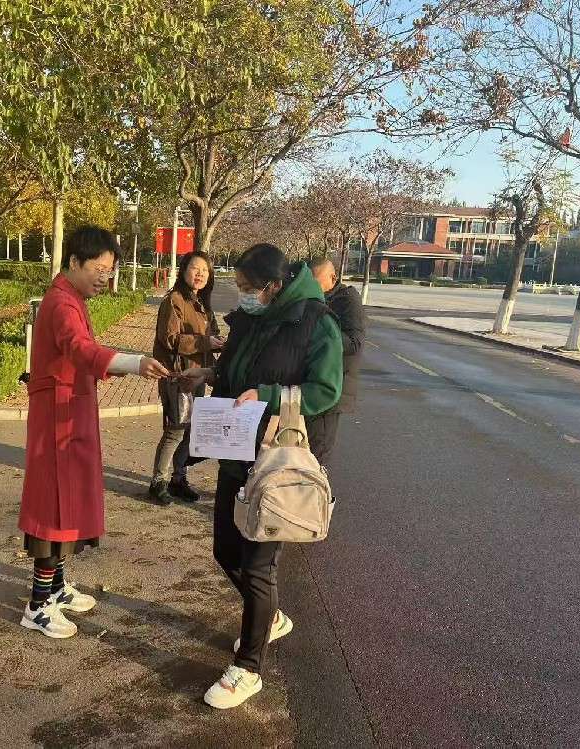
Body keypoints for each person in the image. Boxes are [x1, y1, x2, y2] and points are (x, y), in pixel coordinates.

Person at [180, 244, 343, 709]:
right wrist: (210, 374)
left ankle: (248, 668)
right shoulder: (251, 318)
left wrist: (269, 395)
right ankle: (268, 617)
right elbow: (238, 370)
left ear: (273, 285)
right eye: (240, 287)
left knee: (257, 566)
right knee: (225, 550)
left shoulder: (316, 322)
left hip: (275, 460)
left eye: (249, 287)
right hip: (235, 450)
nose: (243, 295)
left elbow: (326, 390)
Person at [18, 226, 169, 639]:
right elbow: (81, 349)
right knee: (53, 511)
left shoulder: (72, 298)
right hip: (57, 422)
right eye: (99, 269)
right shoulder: (62, 303)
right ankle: (38, 605)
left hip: (69, 414)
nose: (106, 277)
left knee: (69, 506)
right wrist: (133, 363)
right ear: (73, 262)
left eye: (110, 270)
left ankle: (56, 588)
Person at [149, 251, 224, 504]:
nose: (200, 274)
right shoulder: (174, 300)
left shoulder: (202, 303)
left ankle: (178, 478)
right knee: (176, 430)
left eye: (205, 270)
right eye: (195, 268)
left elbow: (211, 335)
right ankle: (158, 481)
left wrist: (218, 343)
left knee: (190, 430)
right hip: (177, 375)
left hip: (198, 375)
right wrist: (205, 342)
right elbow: (170, 339)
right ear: (184, 271)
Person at [308, 257, 366, 467]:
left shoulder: (347, 300)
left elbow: (354, 343)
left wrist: (321, 331)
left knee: (317, 454)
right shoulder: (313, 299)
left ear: (333, 278)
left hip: (333, 387)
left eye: (316, 281)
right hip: (311, 385)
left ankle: (315, 487)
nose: (312, 287)